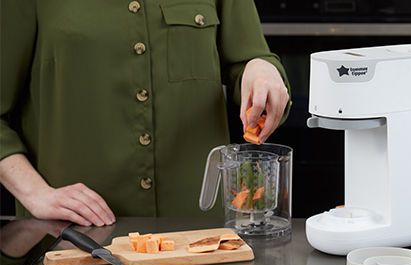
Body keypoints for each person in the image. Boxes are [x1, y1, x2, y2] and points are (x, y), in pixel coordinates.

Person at [0, 0, 291, 226]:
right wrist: (35, 194)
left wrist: (260, 68)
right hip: (71, 239)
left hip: (199, 241)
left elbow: (249, 64)